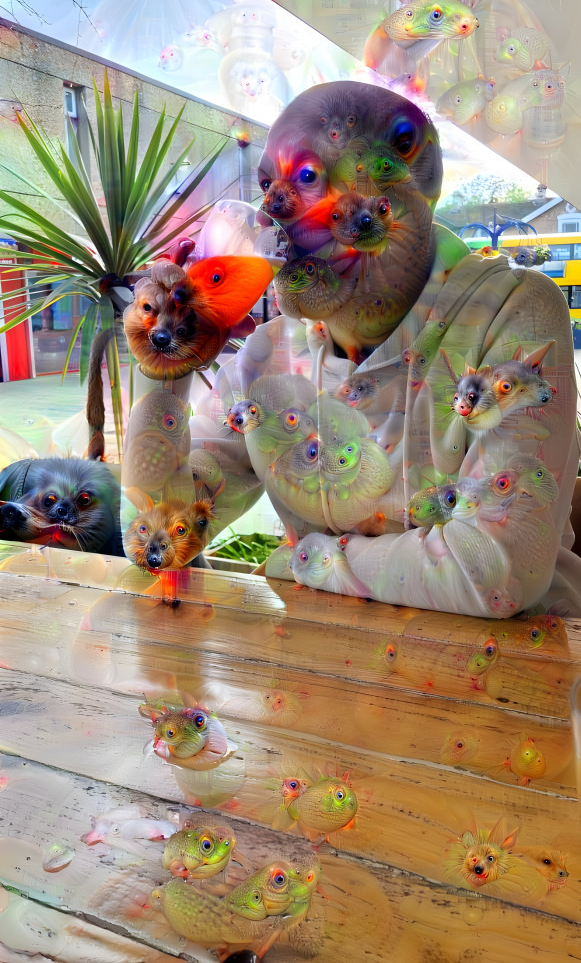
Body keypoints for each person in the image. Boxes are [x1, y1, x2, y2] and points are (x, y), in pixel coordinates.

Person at [221, 80, 580, 619]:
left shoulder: (514, 310)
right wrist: (169, 360)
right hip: (320, 673)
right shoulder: (269, 351)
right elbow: (166, 510)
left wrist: (304, 561)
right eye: (273, 184)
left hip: (514, 673)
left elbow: (492, 572)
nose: (285, 217)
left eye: (311, 180)